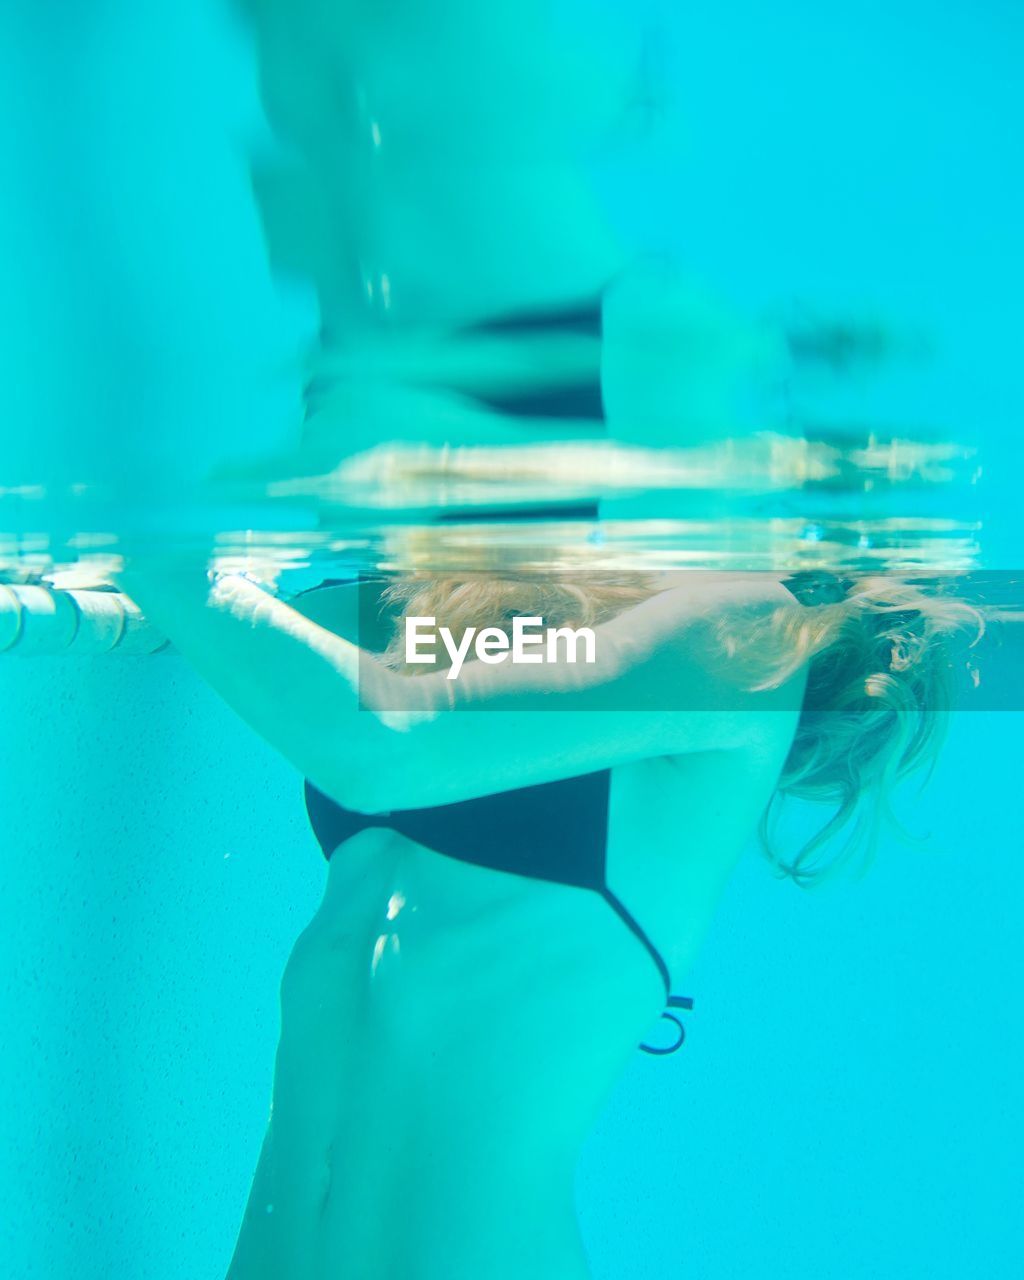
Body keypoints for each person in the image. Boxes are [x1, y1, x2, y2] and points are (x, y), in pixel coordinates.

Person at [113, 560, 979, 1279]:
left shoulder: (748, 632)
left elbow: (377, 746)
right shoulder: (458, 592)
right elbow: (264, 634)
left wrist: (145, 540)